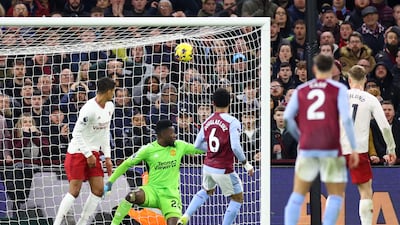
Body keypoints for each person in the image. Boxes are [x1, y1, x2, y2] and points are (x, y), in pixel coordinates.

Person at [283, 54, 359, 225]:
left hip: (307, 147)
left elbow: (287, 118)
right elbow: (346, 120)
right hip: (330, 148)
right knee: (335, 194)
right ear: (332, 70)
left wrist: (300, 137)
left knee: (297, 195)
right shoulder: (338, 88)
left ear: (314, 69)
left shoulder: (302, 90)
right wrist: (353, 147)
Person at [103, 119, 205, 225]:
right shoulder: (148, 150)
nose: (175, 135)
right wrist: (110, 182)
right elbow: (126, 164)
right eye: (172, 133)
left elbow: (199, 149)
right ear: (162, 134)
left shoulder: (180, 146)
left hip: (170, 196)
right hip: (152, 192)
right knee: (131, 196)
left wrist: (217, 143)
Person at [178, 88, 255, 225]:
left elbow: (196, 145)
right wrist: (246, 163)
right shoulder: (232, 121)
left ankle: (186, 216)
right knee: (237, 198)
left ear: (213, 103)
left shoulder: (207, 121)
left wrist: (213, 150)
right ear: (230, 102)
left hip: (207, 166)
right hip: (223, 168)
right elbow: (236, 147)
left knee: (206, 190)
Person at [53, 77, 116, 225]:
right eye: (113, 91)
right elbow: (76, 133)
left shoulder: (109, 107)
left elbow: (105, 132)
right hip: (78, 151)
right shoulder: (88, 109)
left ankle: (82, 222)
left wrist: (107, 157)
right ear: (108, 91)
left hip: (94, 153)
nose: (113, 94)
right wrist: (88, 154)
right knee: (74, 191)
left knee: (99, 190)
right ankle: (57, 222)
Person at [341, 65, 396, 225]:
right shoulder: (371, 99)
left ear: (349, 80)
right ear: (364, 80)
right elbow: (385, 126)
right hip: (358, 151)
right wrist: (391, 148)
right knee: (365, 192)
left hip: (339, 150)